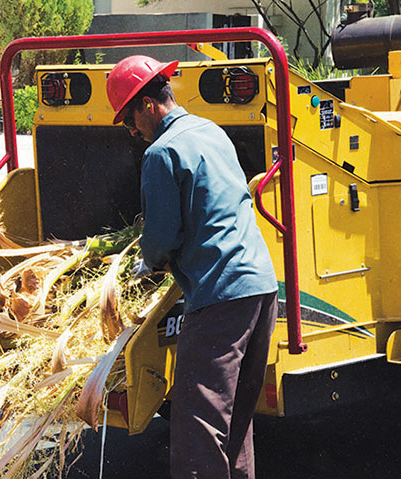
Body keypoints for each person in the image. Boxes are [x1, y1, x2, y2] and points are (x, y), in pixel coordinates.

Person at [106, 55, 279, 479]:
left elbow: (163, 237)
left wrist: (146, 262)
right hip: (261, 286)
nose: (131, 131)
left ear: (148, 105)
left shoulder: (162, 152)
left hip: (221, 294)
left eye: (129, 119)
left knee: (198, 426)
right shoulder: (209, 130)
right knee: (234, 420)